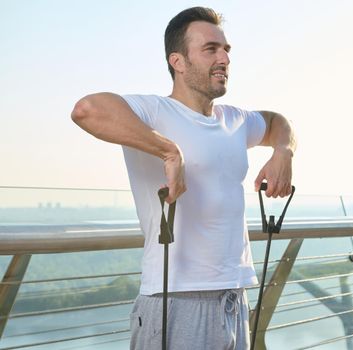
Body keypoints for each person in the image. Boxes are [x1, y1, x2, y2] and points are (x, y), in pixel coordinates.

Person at [71, 6, 296, 350]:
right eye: (210, 49)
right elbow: (87, 109)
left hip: (234, 298)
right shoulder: (154, 111)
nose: (224, 58)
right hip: (176, 300)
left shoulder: (235, 120)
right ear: (178, 61)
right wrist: (167, 151)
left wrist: (283, 151)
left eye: (226, 50)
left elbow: (278, 122)